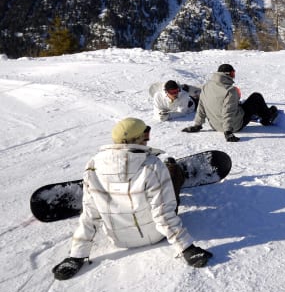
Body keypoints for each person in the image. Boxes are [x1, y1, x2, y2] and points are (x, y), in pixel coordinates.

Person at [51, 118, 212, 280]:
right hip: (155, 235)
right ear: (135, 140)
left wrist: (76, 256)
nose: (148, 139)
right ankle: (174, 169)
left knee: (98, 202)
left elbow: (89, 215)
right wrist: (186, 248)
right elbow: (163, 213)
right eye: (145, 136)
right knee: (172, 175)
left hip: (118, 240)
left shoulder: (92, 166)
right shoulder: (153, 165)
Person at [183, 64, 278, 142]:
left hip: (215, 126)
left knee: (240, 104)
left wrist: (197, 125)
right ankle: (267, 117)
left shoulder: (206, 86)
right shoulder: (230, 90)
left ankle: (257, 113)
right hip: (234, 126)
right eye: (233, 74)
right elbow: (228, 111)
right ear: (227, 74)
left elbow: (201, 106)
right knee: (256, 97)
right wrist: (228, 131)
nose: (233, 76)